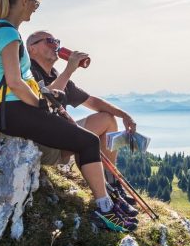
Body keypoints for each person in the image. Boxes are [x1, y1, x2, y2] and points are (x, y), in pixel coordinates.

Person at [0, 0, 137, 233]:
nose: (36, 8)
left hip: (11, 111)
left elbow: (17, 82)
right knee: (88, 142)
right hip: (16, 110)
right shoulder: (9, 33)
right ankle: (105, 209)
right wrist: (40, 105)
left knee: (89, 135)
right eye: (36, 2)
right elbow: (15, 81)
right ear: (24, 1)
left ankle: (109, 193)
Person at [25, 30, 136, 173]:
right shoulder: (28, 73)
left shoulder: (55, 75)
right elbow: (46, 99)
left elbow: (92, 102)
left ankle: (110, 180)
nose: (56, 45)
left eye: (57, 41)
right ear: (31, 49)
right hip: (44, 141)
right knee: (86, 139)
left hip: (61, 135)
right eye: (49, 41)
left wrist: (125, 116)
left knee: (108, 119)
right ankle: (101, 184)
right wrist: (69, 69)